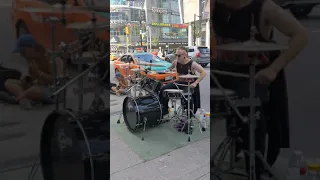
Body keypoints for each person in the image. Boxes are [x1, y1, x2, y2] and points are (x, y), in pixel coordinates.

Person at [212, 0, 307, 179]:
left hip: (254, 73)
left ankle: (254, 162)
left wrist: (273, 69)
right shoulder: (216, 7)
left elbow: (301, 35)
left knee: (249, 111)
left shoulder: (264, 8)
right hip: (223, 70)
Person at [5, 34, 64, 110]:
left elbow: (56, 81)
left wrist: (38, 73)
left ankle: (21, 98)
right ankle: (24, 98)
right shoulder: (31, 58)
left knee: (33, 91)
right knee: (9, 82)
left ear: (32, 47)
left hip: (54, 92)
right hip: (38, 86)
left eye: (23, 51)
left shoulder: (52, 58)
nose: (21, 54)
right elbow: (31, 78)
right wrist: (27, 79)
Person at [159, 46, 206, 117]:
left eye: (179, 55)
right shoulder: (175, 62)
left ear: (185, 55)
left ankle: (189, 115)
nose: (177, 57)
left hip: (189, 84)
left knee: (187, 96)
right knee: (163, 89)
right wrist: (167, 71)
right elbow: (168, 69)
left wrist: (195, 83)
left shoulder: (192, 63)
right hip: (179, 82)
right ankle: (164, 109)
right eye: (176, 55)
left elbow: (203, 72)